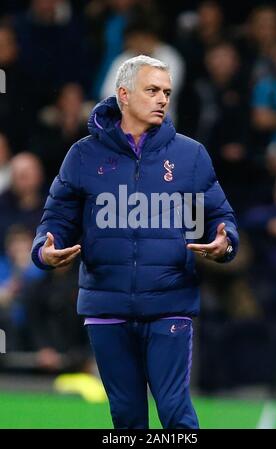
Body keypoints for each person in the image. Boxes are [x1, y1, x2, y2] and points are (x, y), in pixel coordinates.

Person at [31, 55, 239, 429]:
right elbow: (56, 220)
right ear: (124, 95)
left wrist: (225, 244)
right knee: (126, 419)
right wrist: (44, 251)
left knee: (175, 412)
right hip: (106, 305)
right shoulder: (82, 155)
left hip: (169, 302)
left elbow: (220, 217)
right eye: (153, 90)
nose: (163, 99)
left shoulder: (190, 156)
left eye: (167, 92)